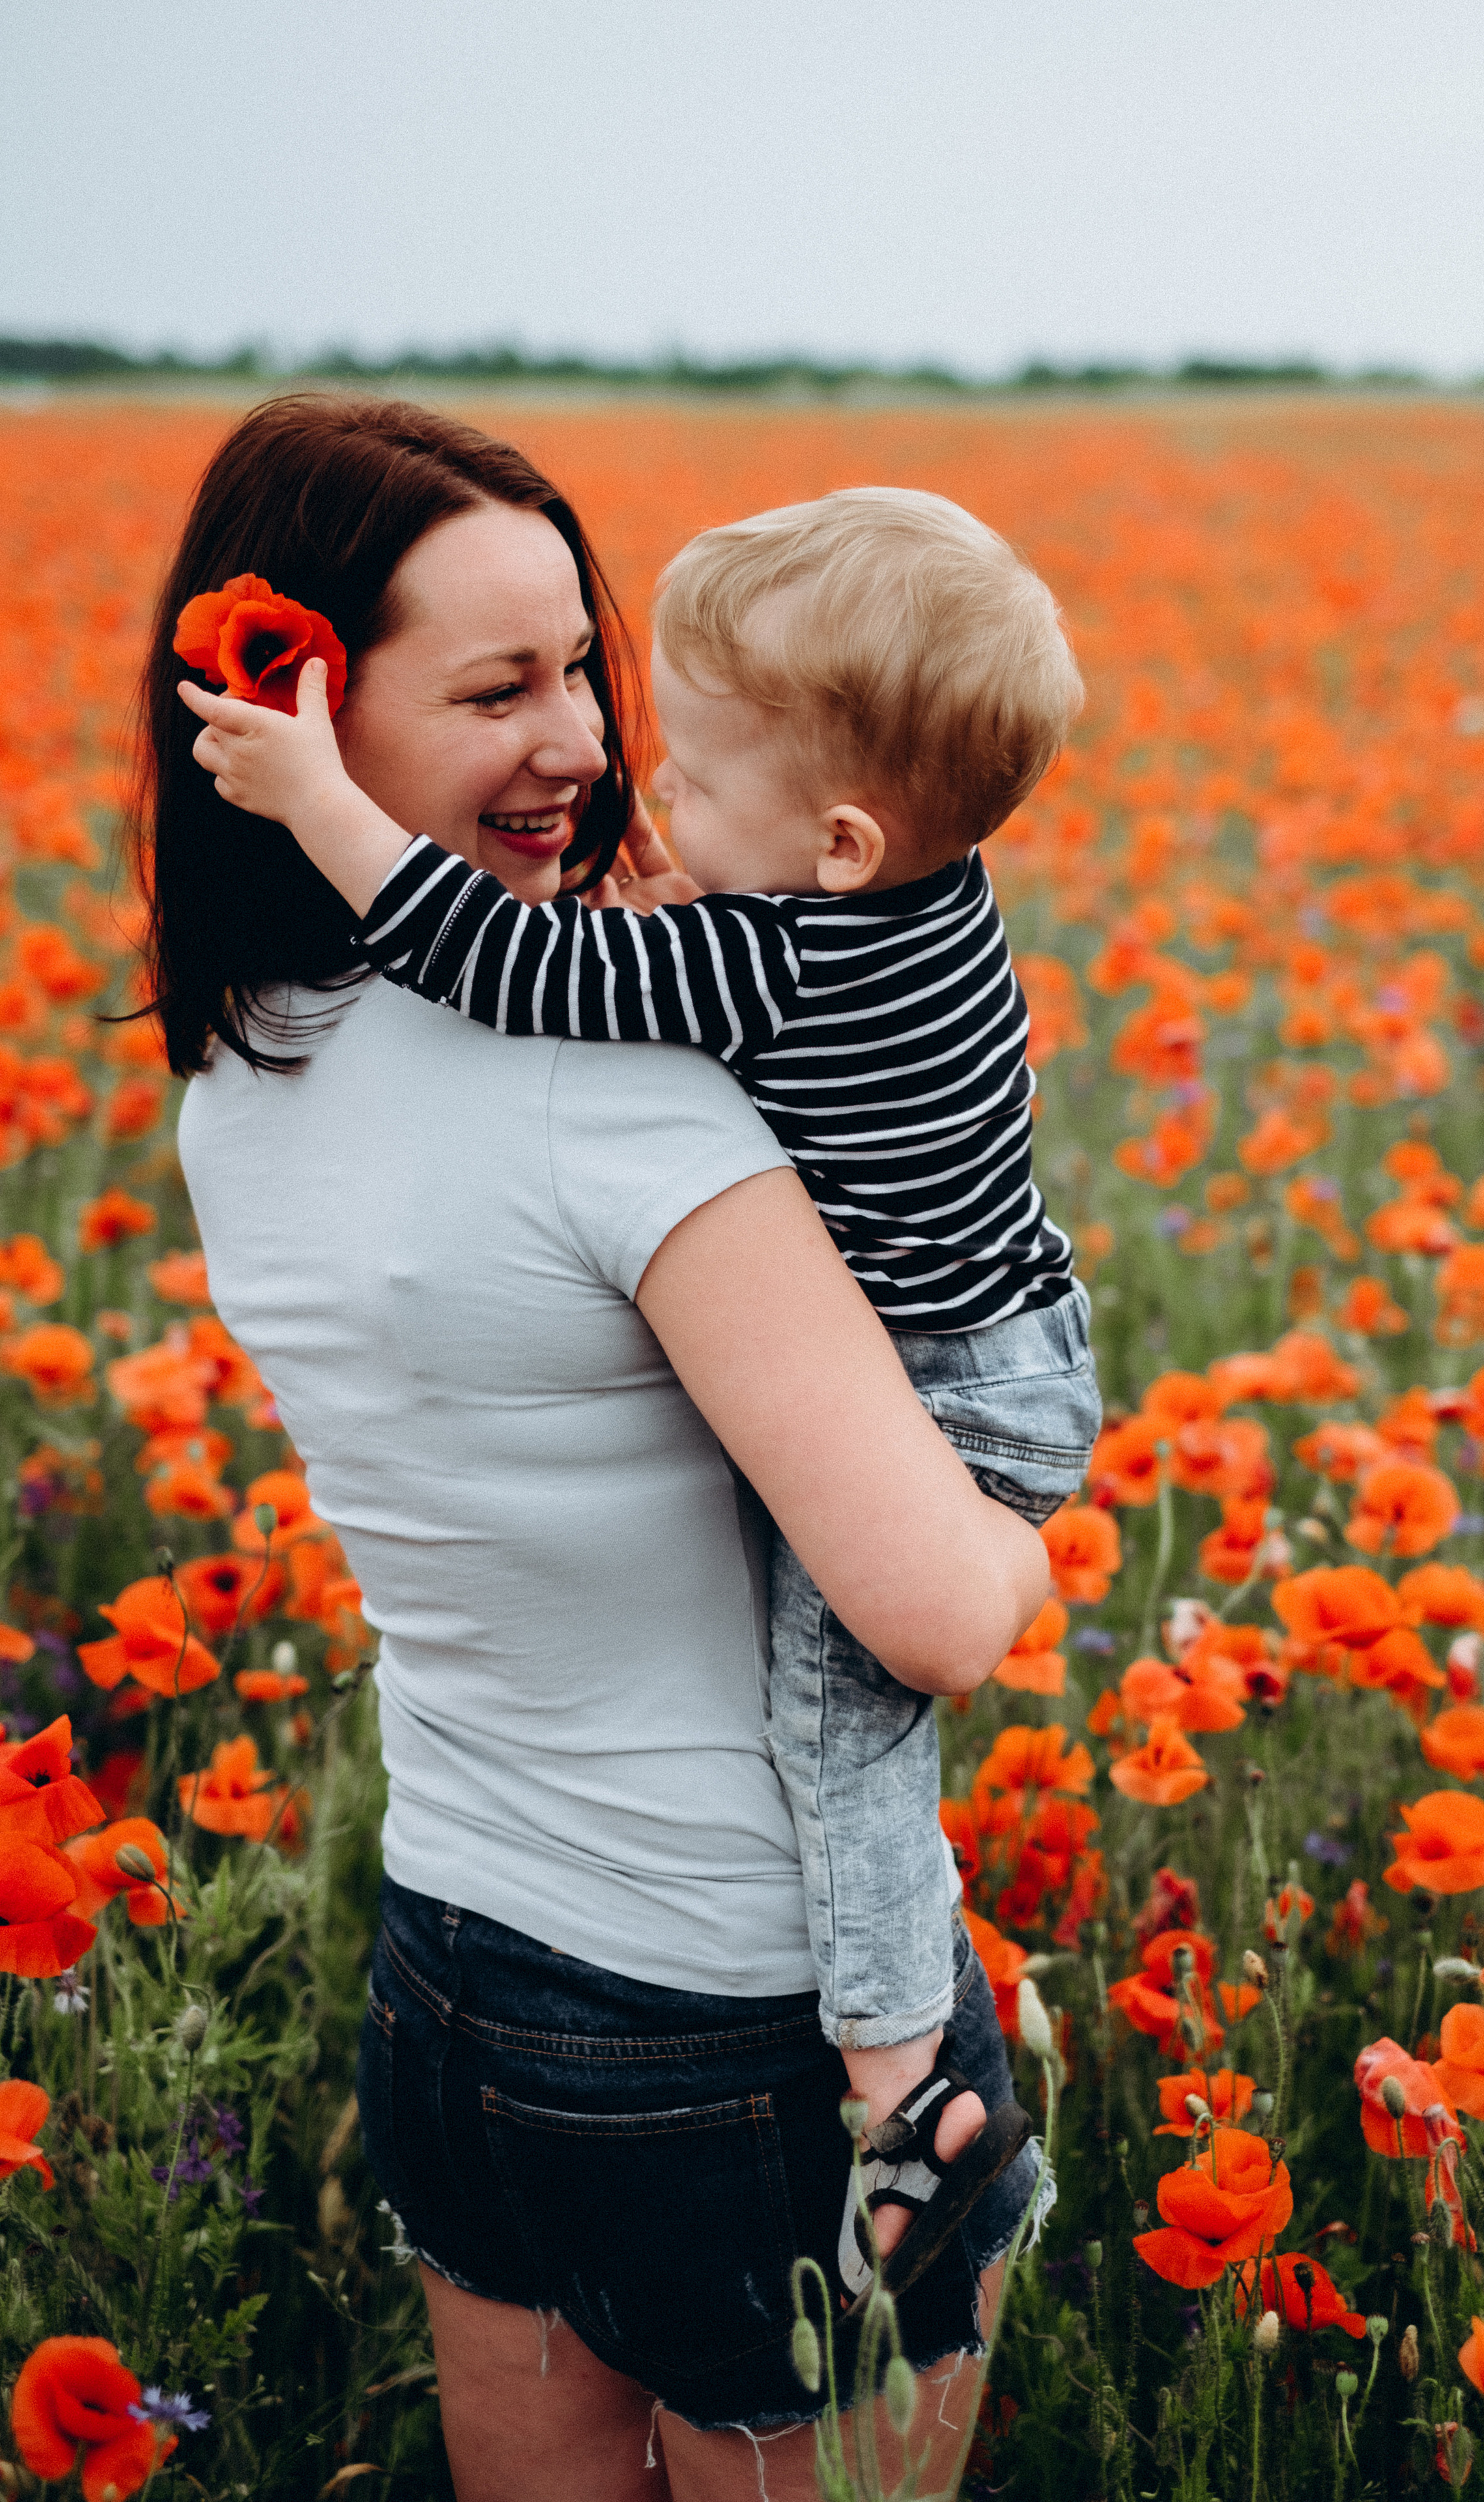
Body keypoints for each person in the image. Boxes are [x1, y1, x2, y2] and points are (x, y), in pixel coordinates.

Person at [147, 392, 1052, 2501]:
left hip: (459, 1977)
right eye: (497, 688)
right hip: (749, 2037)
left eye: (583, 669)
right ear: (291, 692)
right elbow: (925, 1610)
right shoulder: (634, 1103)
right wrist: (1018, 1544)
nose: (580, 741)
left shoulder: (241, 1083)